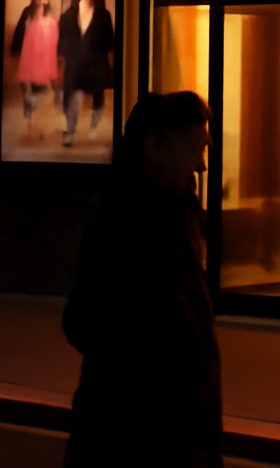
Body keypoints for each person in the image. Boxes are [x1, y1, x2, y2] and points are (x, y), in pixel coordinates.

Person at [63, 91, 221, 468]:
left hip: (185, 416)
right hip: (133, 427)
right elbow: (85, 319)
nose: (201, 165)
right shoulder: (118, 215)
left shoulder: (180, 207)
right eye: (195, 149)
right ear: (153, 146)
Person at [57, 0, 116, 147]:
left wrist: (110, 67)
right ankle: (69, 132)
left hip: (96, 64)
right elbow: (61, 39)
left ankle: (94, 128)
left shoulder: (103, 15)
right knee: (73, 98)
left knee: (98, 100)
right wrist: (60, 58)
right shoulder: (69, 14)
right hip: (75, 63)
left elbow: (110, 43)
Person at [9, 0, 59, 140]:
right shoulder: (27, 12)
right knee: (29, 97)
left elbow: (54, 43)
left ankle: (38, 129)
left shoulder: (51, 17)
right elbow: (18, 35)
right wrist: (15, 53)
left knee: (41, 98)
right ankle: (29, 126)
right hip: (28, 63)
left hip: (43, 66)